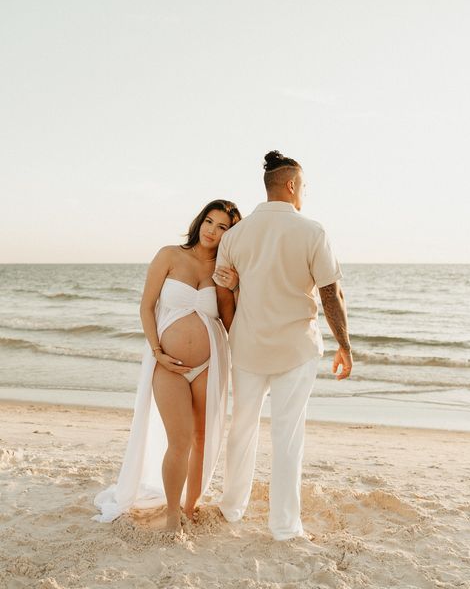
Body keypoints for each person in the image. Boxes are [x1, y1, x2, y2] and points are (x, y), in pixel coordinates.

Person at [213, 150, 352, 541]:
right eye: (303, 186)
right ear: (291, 185)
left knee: (241, 429)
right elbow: (331, 294)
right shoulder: (313, 231)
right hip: (296, 350)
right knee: (287, 436)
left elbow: (227, 293)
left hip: (249, 347)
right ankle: (284, 527)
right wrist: (345, 345)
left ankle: (232, 507)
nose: (304, 193)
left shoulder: (235, 235)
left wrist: (234, 315)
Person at [94, 199, 241, 532]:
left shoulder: (224, 270)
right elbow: (146, 307)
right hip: (168, 365)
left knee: (202, 438)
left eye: (222, 227)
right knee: (180, 439)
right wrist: (157, 350)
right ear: (199, 221)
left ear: (230, 235)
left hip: (209, 365)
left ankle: (190, 506)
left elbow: (231, 323)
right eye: (209, 222)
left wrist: (231, 287)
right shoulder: (169, 255)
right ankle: (173, 513)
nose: (212, 231)